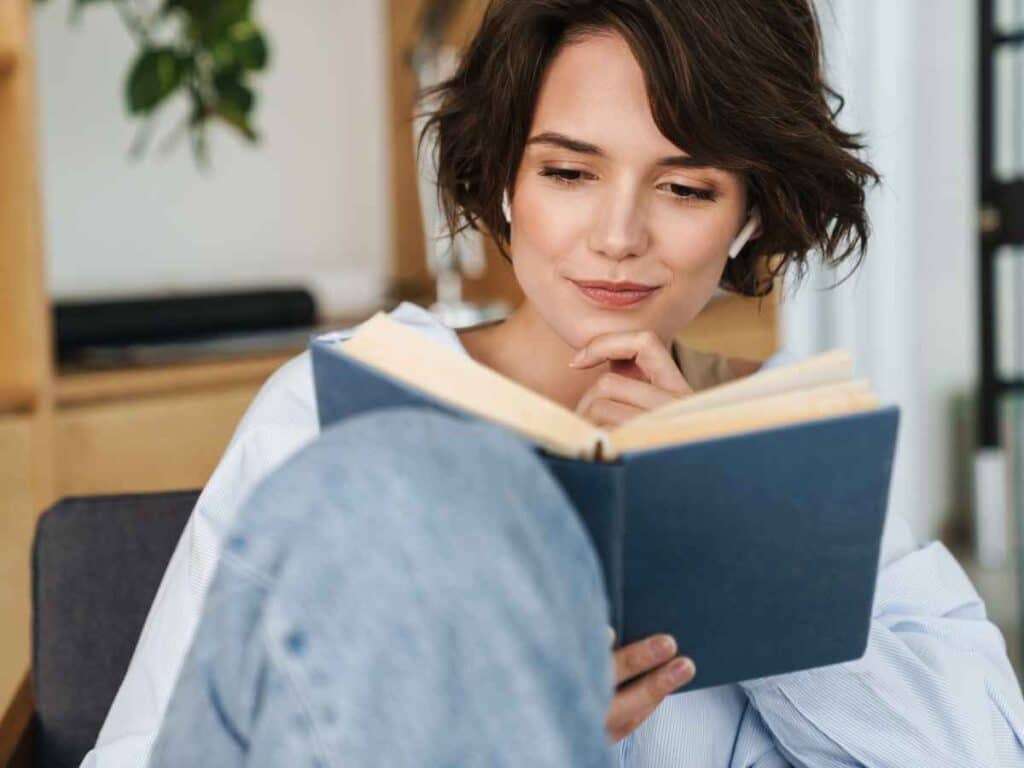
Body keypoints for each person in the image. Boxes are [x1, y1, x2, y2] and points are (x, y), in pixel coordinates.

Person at [84, 1, 1024, 766]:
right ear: (502, 177)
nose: (618, 236)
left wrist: (730, 519)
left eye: (686, 188)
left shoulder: (786, 439)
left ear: (748, 212)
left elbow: (977, 750)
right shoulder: (329, 411)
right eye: (569, 171)